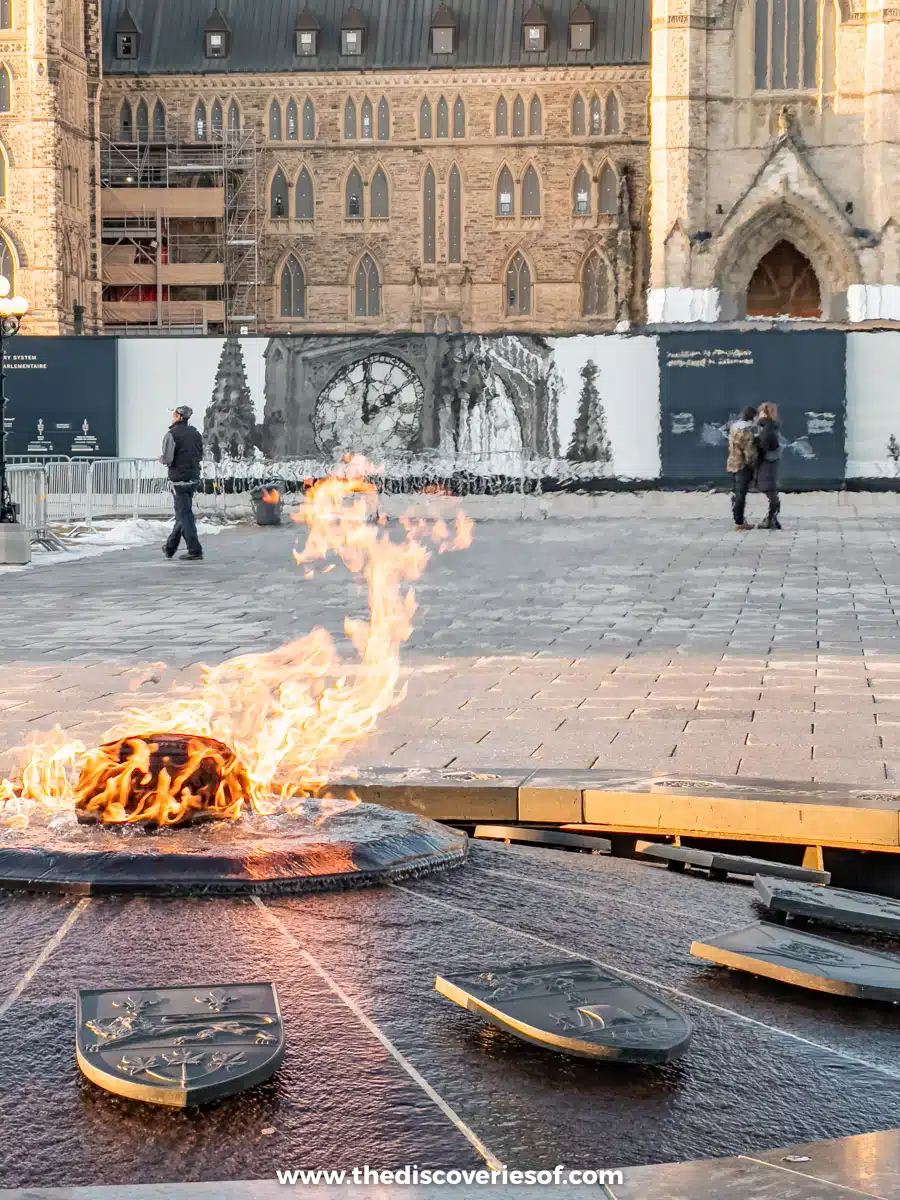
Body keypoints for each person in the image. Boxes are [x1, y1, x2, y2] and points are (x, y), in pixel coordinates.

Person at [160, 405, 204, 560]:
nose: (172, 417)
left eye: (173, 415)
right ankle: (170, 547)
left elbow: (168, 458)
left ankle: (194, 550)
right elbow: (200, 454)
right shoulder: (196, 433)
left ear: (179, 417)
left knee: (184, 515)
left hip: (179, 479)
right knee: (183, 513)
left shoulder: (171, 435)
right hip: (193, 477)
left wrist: (160, 459)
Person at [726, 406, 758, 531]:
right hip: (743, 465)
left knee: (736, 491)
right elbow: (749, 453)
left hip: (732, 463)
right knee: (741, 493)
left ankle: (737, 517)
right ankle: (739, 521)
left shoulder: (734, 428)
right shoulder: (747, 432)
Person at [755, 401, 782, 530]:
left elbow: (765, 446)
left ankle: (771, 518)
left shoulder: (766, 428)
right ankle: (772, 517)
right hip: (771, 463)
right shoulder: (771, 427)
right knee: (771, 491)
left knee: (769, 490)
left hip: (766, 463)